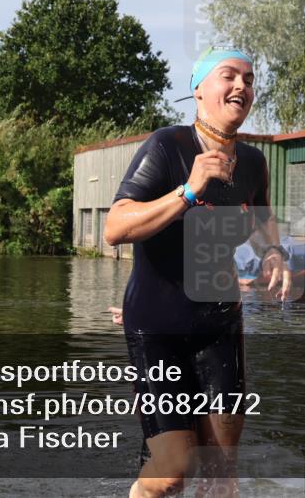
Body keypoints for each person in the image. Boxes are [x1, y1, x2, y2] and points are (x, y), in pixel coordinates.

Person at [104, 46, 291, 498]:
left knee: (220, 474)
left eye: (249, 79)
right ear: (198, 90)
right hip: (157, 326)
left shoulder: (252, 163)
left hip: (220, 326)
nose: (242, 86)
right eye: (229, 76)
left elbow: (262, 217)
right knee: (172, 471)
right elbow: (115, 227)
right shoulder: (168, 146)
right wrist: (187, 191)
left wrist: (273, 254)